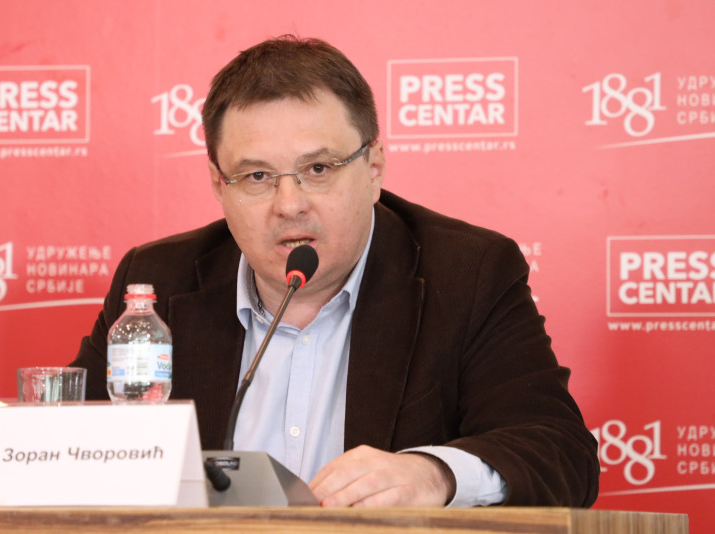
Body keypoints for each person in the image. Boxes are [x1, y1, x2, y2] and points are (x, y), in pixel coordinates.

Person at [71, 35, 599, 507]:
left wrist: (435, 474)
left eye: (318, 169)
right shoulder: (158, 283)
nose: (289, 204)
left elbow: (560, 452)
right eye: (256, 176)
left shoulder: (466, 273)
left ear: (374, 168)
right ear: (218, 185)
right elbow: (70, 450)